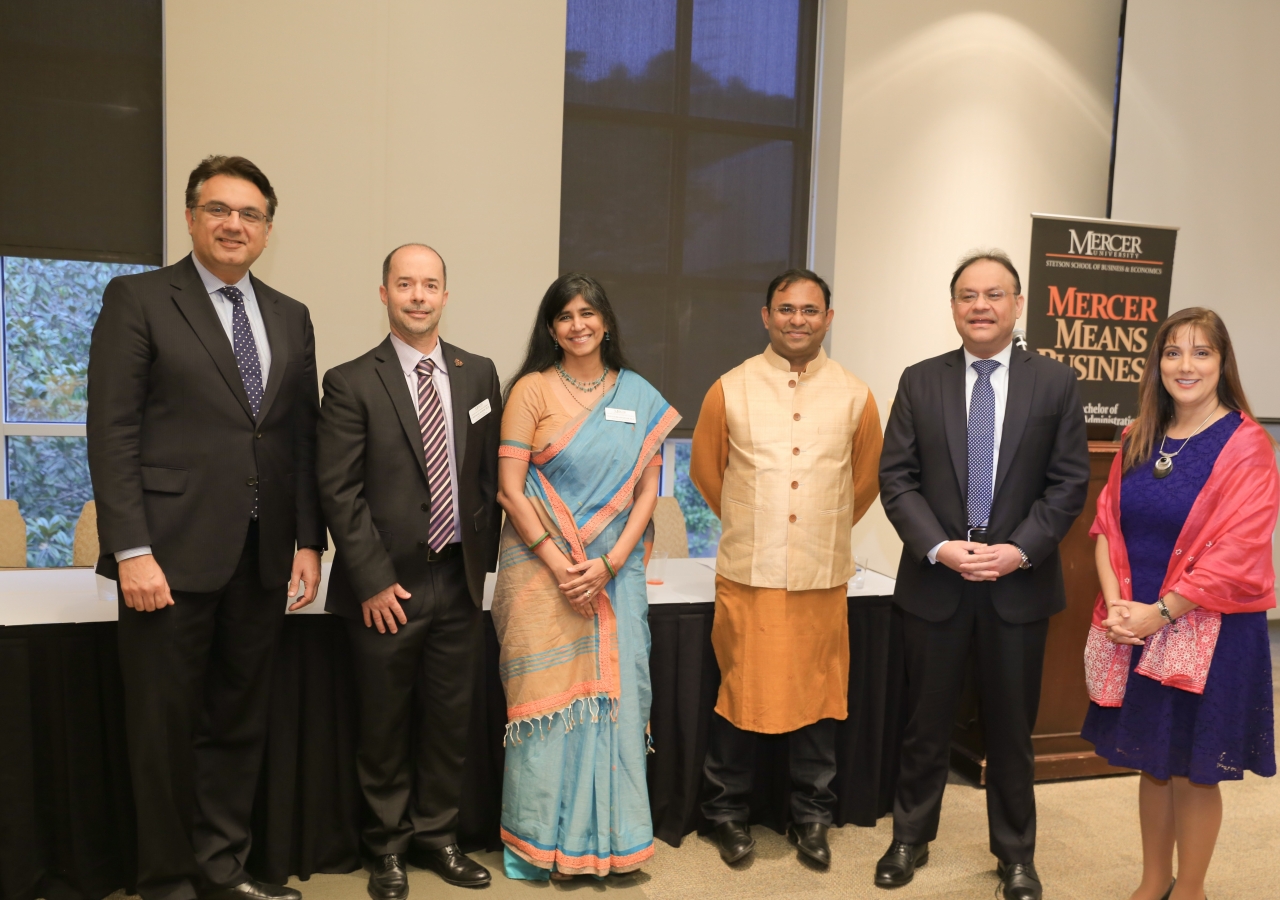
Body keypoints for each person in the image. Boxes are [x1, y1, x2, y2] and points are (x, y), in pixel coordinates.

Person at [86, 155, 324, 900]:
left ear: (267, 229)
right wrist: (131, 549)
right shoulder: (140, 299)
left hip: (260, 559)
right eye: (218, 209)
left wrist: (309, 541)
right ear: (191, 218)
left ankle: (222, 871)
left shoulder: (290, 315)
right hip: (166, 557)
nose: (233, 224)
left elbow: (300, 438)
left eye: (249, 214)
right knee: (160, 735)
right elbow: (112, 430)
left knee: (237, 724)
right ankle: (166, 882)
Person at [877, 250, 1089, 900]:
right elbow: (897, 478)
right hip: (937, 581)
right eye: (968, 295)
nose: (981, 306)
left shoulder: (1056, 382)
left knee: (1010, 731)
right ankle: (910, 838)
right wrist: (939, 546)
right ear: (953, 307)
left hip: (1017, 586)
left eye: (994, 295)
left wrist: (1018, 549)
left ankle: (1016, 855)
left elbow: (1068, 482)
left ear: (1018, 304)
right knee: (925, 724)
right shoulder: (920, 380)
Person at [317, 244, 502, 896]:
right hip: (385, 587)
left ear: (446, 295)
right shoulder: (349, 380)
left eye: (430, 285)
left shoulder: (478, 373)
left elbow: (486, 480)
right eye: (405, 284)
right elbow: (338, 490)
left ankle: (439, 838)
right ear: (384, 293)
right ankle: (388, 849)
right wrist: (367, 578)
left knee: (450, 721)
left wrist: (482, 565)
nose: (418, 295)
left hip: (456, 579)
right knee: (385, 726)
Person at [1081, 308, 1277, 900]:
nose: (1185, 365)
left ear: (1222, 363)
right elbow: (1106, 528)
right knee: (1151, 760)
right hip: (1135, 626)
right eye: (1172, 352)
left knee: (1194, 770)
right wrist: (1119, 607)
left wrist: (1159, 612)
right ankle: (1151, 883)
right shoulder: (1138, 434)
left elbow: (1239, 552)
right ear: (1157, 363)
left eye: (1200, 353)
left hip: (1207, 631)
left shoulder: (1247, 445)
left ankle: (1190, 889)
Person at [690, 268, 882, 869]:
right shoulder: (730, 388)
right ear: (766, 316)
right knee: (738, 693)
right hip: (748, 573)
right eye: (786, 308)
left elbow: (866, 480)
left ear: (828, 318)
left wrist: (813, 527)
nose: (797, 319)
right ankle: (725, 813)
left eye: (810, 309)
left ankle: (812, 817)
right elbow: (706, 472)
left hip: (821, 578)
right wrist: (762, 522)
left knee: (819, 699)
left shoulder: (856, 394)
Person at [493, 273, 678, 880]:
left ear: (605, 321)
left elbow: (650, 489)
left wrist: (609, 562)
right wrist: (562, 566)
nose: (578, 324)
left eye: (588, 313)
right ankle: (540, 845)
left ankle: (613, 845)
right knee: (549, 708)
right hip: (544, 576)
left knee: (617, 704)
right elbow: (511, 491)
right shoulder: (530, 390)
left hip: (614, 573)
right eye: (565, 315)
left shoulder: (639, 394)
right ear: (551, 327)